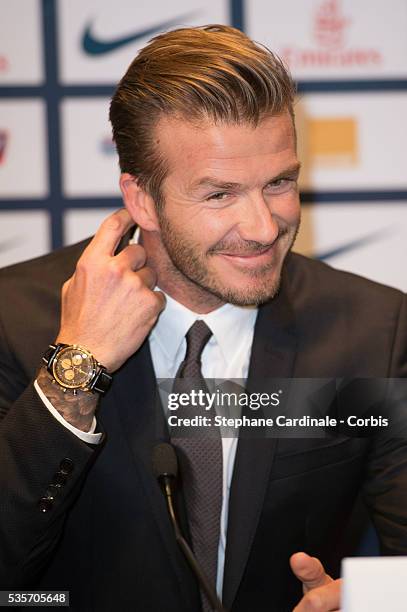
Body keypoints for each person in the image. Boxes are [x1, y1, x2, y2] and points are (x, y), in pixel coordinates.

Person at [0, 24, 406, 612]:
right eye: (219, 194)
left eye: (279, 183)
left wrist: (373, 599)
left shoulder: (374, 328)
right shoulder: (15, 318)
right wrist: (77, 367)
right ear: (141, 199)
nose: (264, 228)